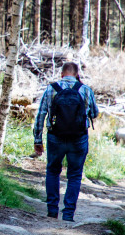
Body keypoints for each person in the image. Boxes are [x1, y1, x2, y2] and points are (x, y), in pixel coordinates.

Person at [32, 61, 99, 221]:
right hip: (79, 138)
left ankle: (52, 211)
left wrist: (37, 139)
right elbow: (94, 113)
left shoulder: (51, 88)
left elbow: (41, 114)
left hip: (55, 136)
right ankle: (68, 214)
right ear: (77, 75)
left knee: (53, 171)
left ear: (62, 74)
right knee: (75, 175)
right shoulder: (85, 89)